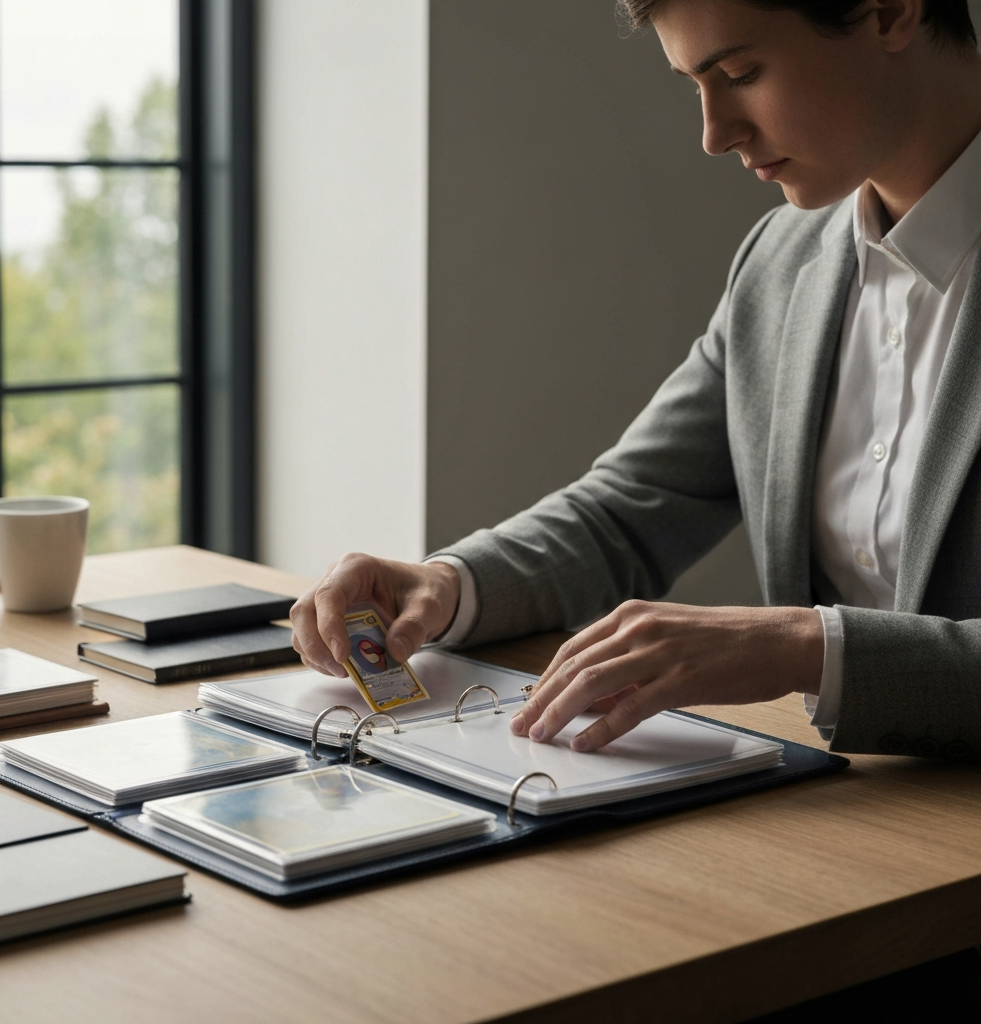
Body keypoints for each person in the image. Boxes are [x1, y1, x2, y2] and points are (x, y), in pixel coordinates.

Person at [291, 0, 981, 761]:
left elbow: (808, 645)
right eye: (695, 85)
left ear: (888, 12)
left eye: (743, 73)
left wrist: (806, 647)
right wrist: (449, 584)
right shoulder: (782, 265)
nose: (716, 135)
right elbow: (631, 510)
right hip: (846, 818)